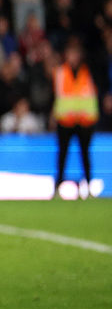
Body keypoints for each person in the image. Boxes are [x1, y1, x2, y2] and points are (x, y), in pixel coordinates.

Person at [53, 38, 99, 197]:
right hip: (65, 120)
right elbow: (60, 95)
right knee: (63, 154)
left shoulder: (87, 72)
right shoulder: (61, 71)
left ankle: (89, 186)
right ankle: (58, 186)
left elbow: (90, 95)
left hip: (84, 121)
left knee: (85, 154)